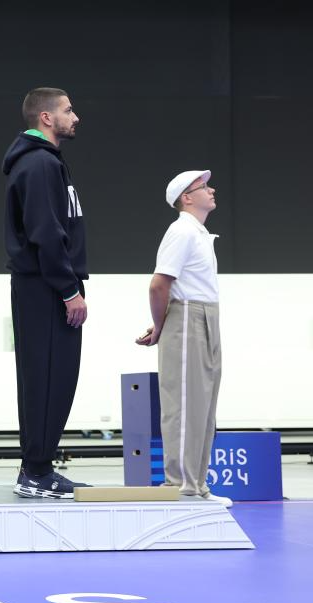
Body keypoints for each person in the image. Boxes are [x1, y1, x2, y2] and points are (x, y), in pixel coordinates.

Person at [2, 87, 92, 499]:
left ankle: (39, 466)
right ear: (45, 118)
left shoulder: (48, 163)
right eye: (68, 110)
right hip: (45, 286)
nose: (75, 117)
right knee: (46, 377)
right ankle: (36, 471)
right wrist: (69, 289)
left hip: (46, 284)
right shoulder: (38, 165)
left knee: (55, 378)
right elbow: (46, 233)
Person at [136, 170, 231, 507]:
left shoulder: (198, 233)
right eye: (203, 187)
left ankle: (197, 484)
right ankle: (180, 485)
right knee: (185, 404)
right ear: (186, 198)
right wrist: (160, 325)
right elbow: (159, 284)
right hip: (188, 315)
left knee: (203, 406)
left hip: (205, 314)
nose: (211, 189)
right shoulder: (181, 231)